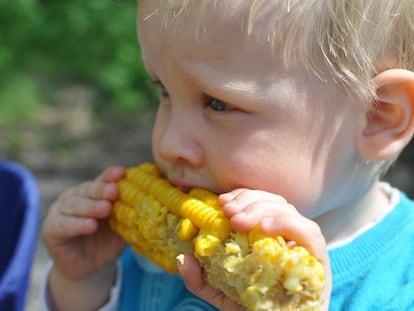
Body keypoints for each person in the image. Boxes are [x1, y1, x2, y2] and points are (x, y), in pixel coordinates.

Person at [41, 0, 414, 310]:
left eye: (218, 103)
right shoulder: (141, 257)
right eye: (165, 92)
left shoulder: (401, 286)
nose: (168, 142)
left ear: (377, 117)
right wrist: (83, 284)